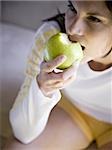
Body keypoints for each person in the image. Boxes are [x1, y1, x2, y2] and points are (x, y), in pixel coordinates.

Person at [4, 0, 112, 150]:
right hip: (75, 109)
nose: (73, 29)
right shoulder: (50, 38)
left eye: (94, 19)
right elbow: (23, 133)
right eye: (72, 8)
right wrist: (42, 90)